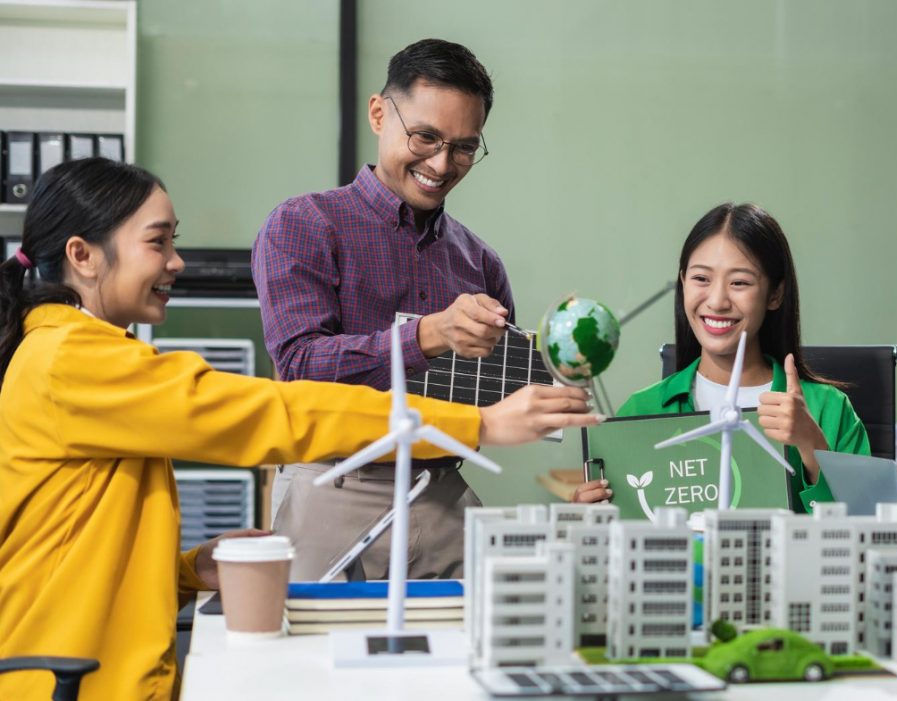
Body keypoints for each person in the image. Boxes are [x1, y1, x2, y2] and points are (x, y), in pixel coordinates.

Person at [0, 158, 598, 701]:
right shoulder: (70, 362)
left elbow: (76, 538)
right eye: (158, 243)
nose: (177, 262)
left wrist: (184, 572)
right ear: (84, 255)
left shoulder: (76, 354)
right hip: (65, 682)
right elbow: (278, 411)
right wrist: (475, 423)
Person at [253, 39, 519, 580]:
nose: (442, 164)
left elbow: (494, 401)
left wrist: (543, 389)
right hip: (333, 490)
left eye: (464, 147)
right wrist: (428, 335)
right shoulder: (304, 225)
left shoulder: (481, 262)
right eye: (426, 136)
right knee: (317, 657)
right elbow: (300, 366)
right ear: (379, 113)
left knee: (469, 657)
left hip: (446, 497)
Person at [572, 203, 870, 513]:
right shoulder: (639, 411)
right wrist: (586, 516)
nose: (716, 301)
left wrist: (812, 446)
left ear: (775, 294)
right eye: (701, 279)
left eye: (739, 283)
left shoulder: (828, 410)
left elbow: (868, 529)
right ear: (683, 282)